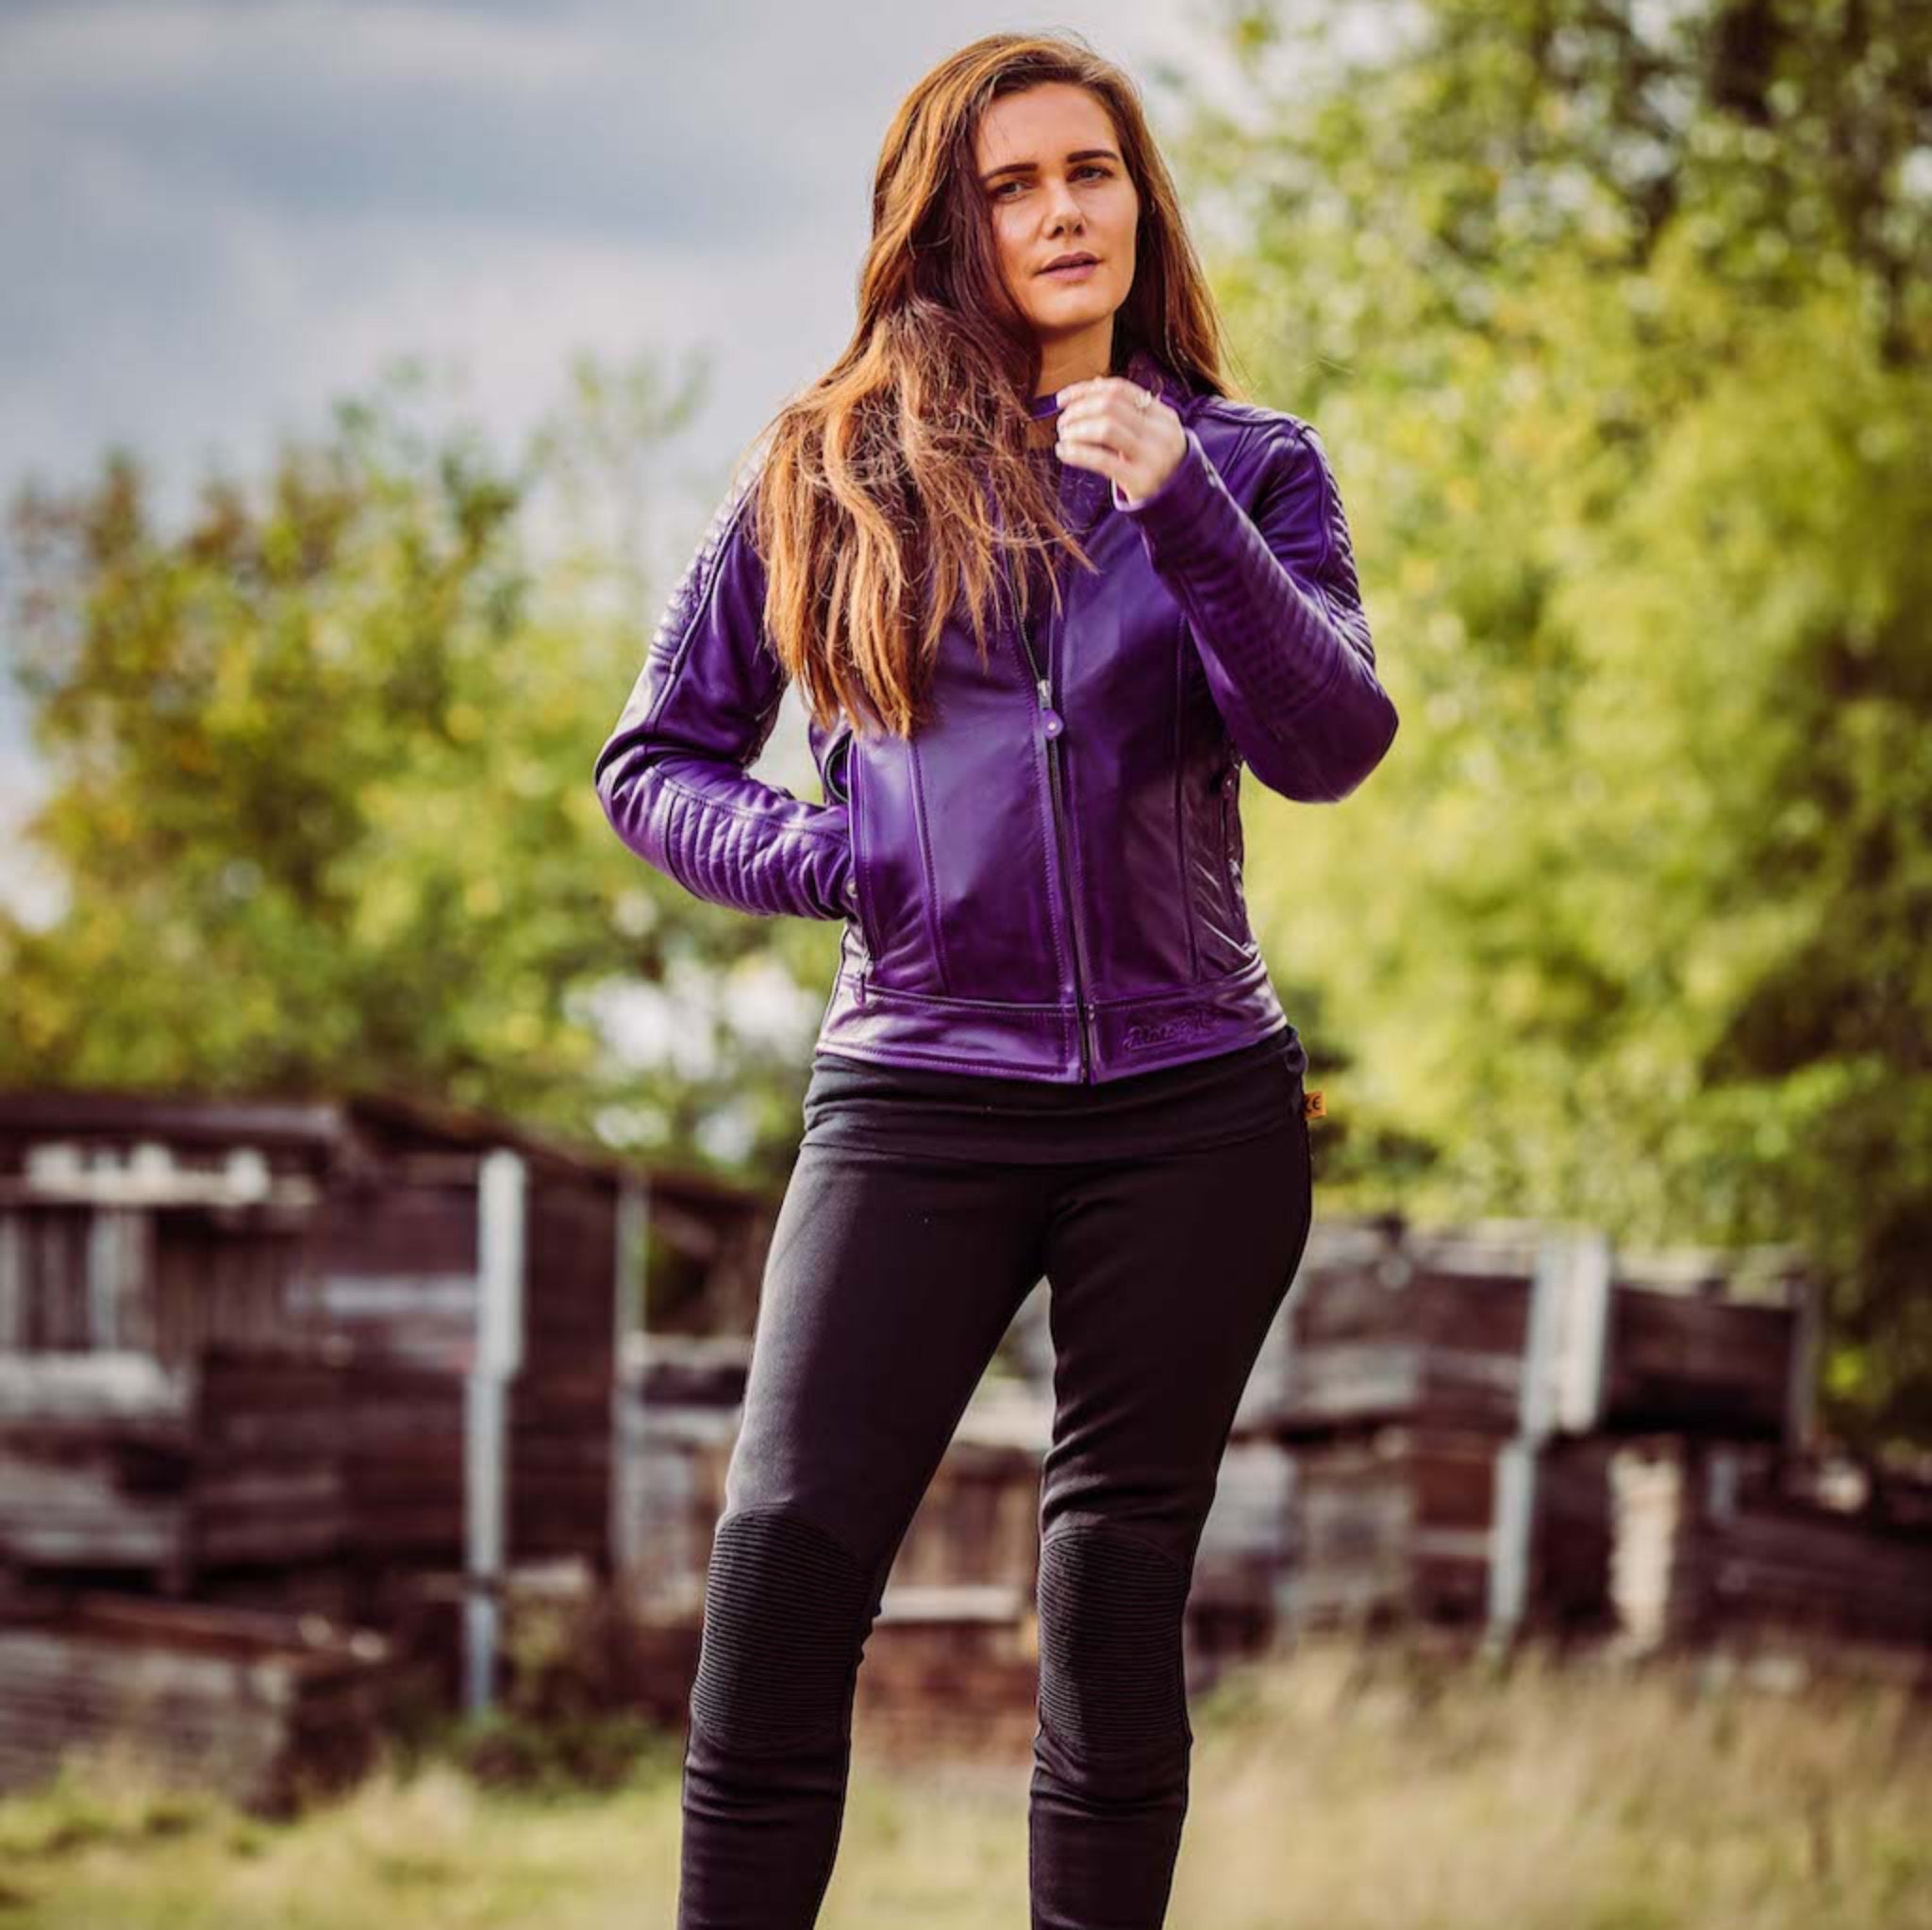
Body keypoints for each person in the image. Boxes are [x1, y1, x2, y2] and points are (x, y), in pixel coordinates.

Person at [592, 29, 1398, 1929]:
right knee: (782, 1564)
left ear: (1140, 202)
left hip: (1191, 1111)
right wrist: (845, 857)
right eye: (1012, 183)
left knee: (1113, 1598)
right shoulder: (823, 469)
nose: (1057, 213)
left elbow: (1331, 741)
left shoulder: (1251, 465)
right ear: (945, 223)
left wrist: (1181, 502)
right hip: (919, 1090)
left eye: (1089, 173)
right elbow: (653, 764)